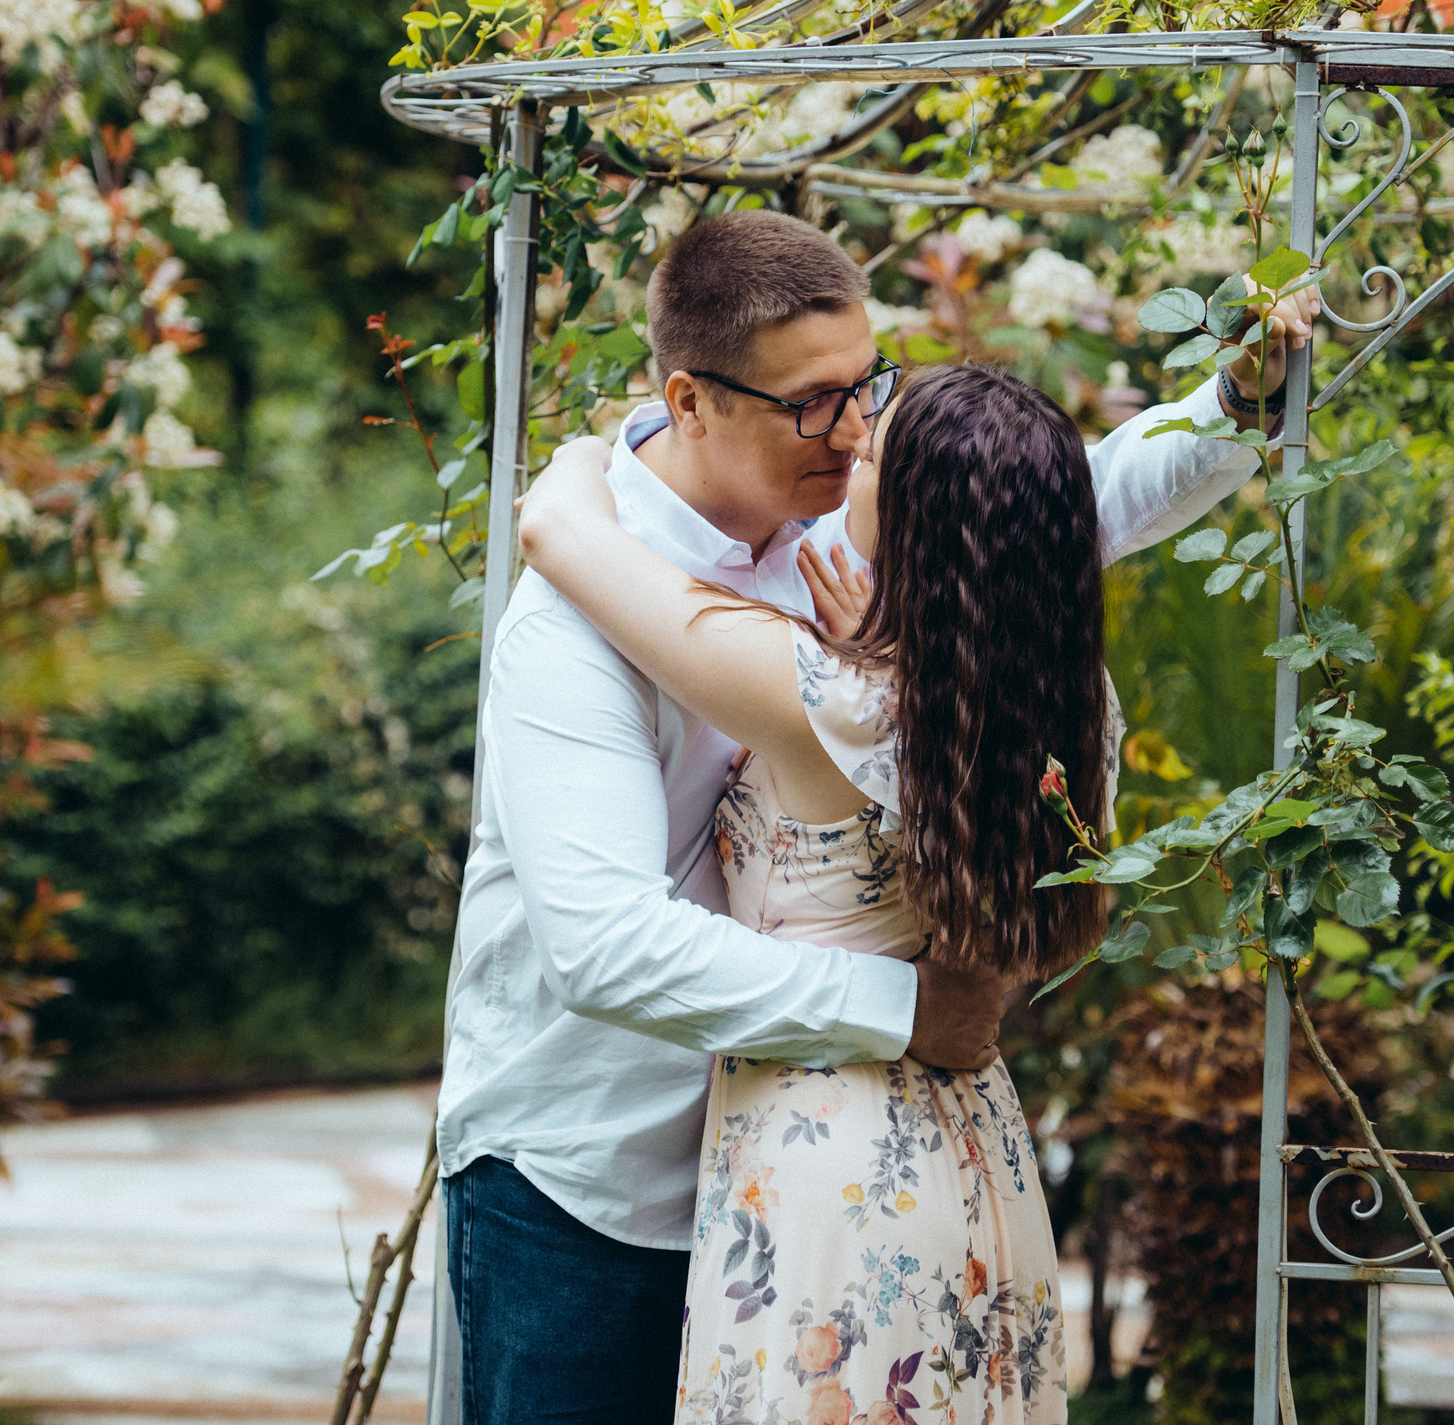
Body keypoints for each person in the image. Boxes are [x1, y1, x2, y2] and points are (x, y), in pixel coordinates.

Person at [439, 209, 1311, 1425]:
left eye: (866, 390)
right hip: (601, 1183)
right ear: (687, 402)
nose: (851, 434)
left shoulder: (846, 556)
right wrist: (911, 1011)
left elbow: (1045, 514)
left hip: (818, 1169)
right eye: (813, 403)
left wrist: (1227, 406)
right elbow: (602, 942)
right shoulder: (575, 618)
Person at [520, 358, 1128, 1423]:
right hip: (977, 1154)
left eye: (877, 450)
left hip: (830, 1166)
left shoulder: (820, 698)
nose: (850, 446)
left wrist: (591, 445)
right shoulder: (1075, 711)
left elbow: (560, 536)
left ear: (922, 522)